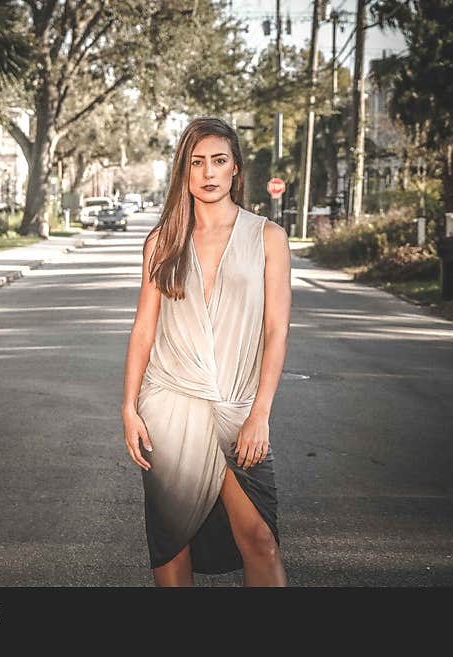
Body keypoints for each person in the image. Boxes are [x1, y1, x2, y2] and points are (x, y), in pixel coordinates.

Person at [121, 117, 292, 587]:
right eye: (197, 163)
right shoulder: (163, 242)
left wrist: (261, 413)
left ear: (236, 168)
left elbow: (276, 329)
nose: (208, 172)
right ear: (184, 171)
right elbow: (143, 330)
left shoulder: (267, 237)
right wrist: (129, 408)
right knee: (172, 543)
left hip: (237, 407)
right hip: (168, 405)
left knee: (258, 536)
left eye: (219, 161)